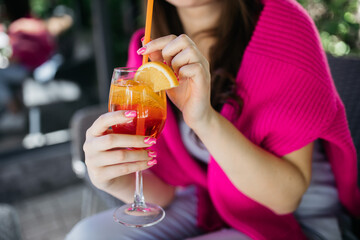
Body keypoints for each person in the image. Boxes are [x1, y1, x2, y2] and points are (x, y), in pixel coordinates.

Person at [67, 0, 360, 239]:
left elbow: (287, 199)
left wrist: (204, 119)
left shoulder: (285, 25)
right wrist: (117, 179)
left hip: (293, 218)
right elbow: (167, 193)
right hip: (210, 204)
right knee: (87, 234)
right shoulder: (147, 48)